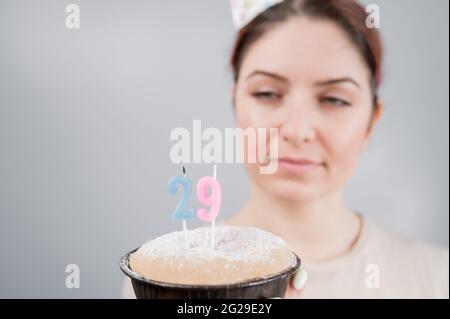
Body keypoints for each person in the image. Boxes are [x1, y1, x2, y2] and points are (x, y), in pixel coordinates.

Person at [122, 0, 448, 298]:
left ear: (371, 121)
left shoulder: (437, 278)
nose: (296, 130)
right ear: (235, 101)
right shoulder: (160, 280)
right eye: (266, 93)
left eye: (334, 99)